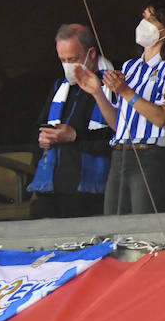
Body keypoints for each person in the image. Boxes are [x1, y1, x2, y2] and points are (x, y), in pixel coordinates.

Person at [77, 0, 165, 215]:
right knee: (114, 224)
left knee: (143, 226)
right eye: (144, 16)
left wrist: (126, 91)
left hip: (151, 156)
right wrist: (98, 93)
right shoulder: (130, 66)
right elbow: (119, 124)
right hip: (120, 155)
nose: (144, 22)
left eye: (152, 19)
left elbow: (162, 117)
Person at [28, 25, 115, 218]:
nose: (67, 65)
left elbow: (117, 137)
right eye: (63, 60)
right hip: (51, 185)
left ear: (91, 54)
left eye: (73, 59)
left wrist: (75, 136)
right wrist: (43, 137)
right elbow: (37, 128)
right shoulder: (60, 85)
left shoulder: (112, 84)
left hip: (91, 189)